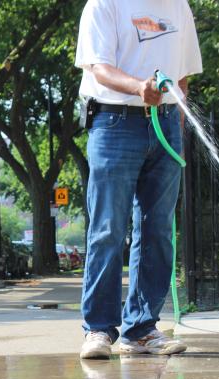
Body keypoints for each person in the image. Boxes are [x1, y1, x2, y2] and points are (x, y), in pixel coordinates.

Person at [75, 0, 202, 358]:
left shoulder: (178, 7)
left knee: (157, 229)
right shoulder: (105, 5)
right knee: (108, 228)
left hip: (165, 125)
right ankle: (98, 329)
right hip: (114, 123)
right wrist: (138, 87)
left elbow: (182, 78)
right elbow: (100, 68)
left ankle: (142, 329)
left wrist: (174, 127)